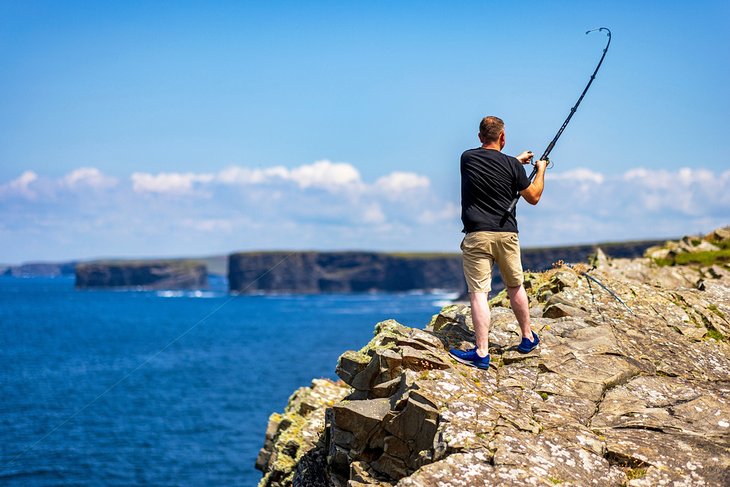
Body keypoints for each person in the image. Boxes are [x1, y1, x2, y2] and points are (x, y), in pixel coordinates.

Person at [449, 116, 547, 370]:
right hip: (507, 234)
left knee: (479, 293)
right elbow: (533, 196)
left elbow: (491, 162)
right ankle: (527, 337)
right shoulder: (513, 167)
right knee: (515, 286)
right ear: (503, 138)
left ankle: (482, 352)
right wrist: (541, 169)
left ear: (480, 137)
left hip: (477, 235)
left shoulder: (467, 158)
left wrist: (515, 161)